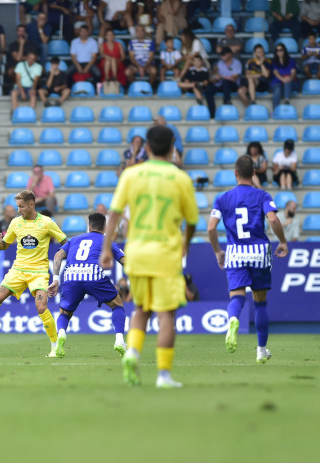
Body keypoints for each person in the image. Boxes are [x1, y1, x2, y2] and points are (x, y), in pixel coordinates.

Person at [100, 125, 199, 388]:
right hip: (165, 253)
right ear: (172, 148)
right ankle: (164, 375)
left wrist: (107, 249)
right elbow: (191, 221)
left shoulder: (131, 174)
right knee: (166, 315)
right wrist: (185, 243)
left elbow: (115, 214)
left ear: (146, 148)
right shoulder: (180, 178)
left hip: (138, 253)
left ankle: (132, 353)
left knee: (141, 309)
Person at [0, 189, 67, 357]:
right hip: (18, 270)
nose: (19, 210)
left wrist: (58, 268)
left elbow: (65, 243)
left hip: (39, 272)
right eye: (17, 206)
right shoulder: (15, 223)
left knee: (41, 307)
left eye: (21, 206)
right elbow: (5, 245)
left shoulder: (47, 223)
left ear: (32, 205)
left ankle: (55, 347)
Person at [207, 155, 289, 363]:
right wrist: (283, 241)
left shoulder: (223, 198)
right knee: (260, 304)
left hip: (235, 253)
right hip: (259, 252)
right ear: (254, 173)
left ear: (235, 173)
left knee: (237, 297)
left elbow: (210, 227)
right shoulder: (262, 196)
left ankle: (233, 319)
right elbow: (273, 219)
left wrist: (218, 251)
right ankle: (261, 350)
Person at [48, 213, 127, 357]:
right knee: (117, 305)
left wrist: (55, 279)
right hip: (92, 274)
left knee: (65, 313)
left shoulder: (74, 239)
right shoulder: (106, 240)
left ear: (89, 227)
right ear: (105, 228)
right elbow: (124, 261)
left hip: (71, 275)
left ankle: (61, 335)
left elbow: (58, 256)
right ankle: (120, 341)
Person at [272, 43, 298, 110]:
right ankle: (275, 110)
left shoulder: (291, 60)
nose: (279, 52)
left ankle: (287, 100)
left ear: (284, 50)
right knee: (277, 90)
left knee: (288, 79)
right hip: (278, 83)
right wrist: (283, 79)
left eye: (281, 50)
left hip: (291, 83)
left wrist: (289, 78)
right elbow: (276, 73)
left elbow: (293, 72)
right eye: (277, 50)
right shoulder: (274, 62)